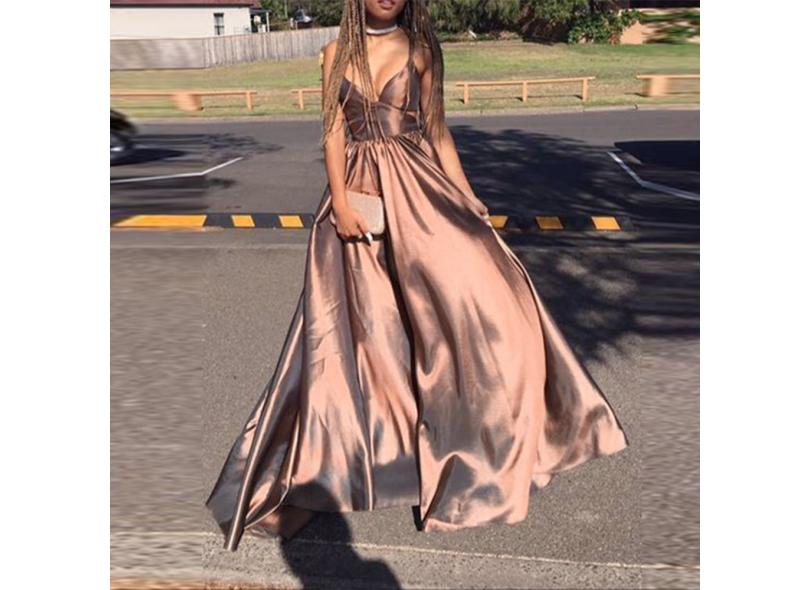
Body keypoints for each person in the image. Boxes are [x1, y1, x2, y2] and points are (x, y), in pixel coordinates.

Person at [205, 0, 629, 552]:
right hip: (358, 198)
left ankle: (497, 435)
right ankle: (346, 460)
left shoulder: (424, 49)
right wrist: (341, 202)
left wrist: (468, 197)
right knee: (359, 334)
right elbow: (332, 132)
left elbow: (437, 132)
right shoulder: (334, 53)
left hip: (419, 192)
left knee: (477, 303)